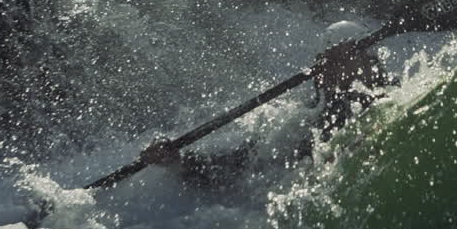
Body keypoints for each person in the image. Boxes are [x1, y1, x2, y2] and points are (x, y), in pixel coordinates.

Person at [136, 39, 392, 189]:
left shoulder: (396, 96)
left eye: (341, 59)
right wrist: (179, 162)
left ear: (368, 62)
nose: (328, 70)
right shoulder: (306, 121)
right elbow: (243, 166)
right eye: (325, 62)